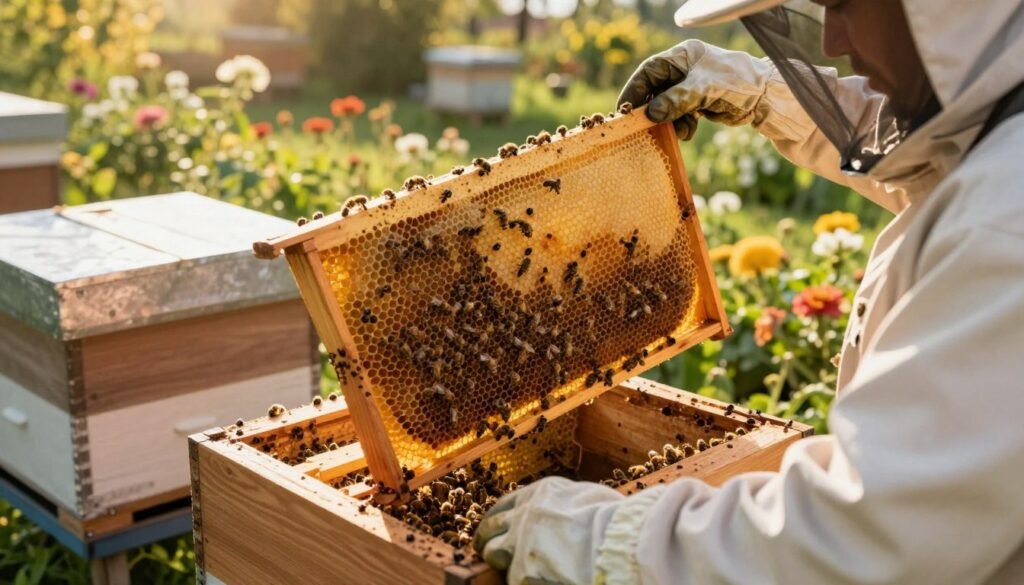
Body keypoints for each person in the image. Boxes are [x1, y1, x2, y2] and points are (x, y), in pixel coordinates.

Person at [473, 0, 1024, 583]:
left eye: (845, 4)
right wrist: (762, 91)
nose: (833, 39)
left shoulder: (1005, 227)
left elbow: (865, 540)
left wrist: (597, 544)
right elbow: (938, 156)